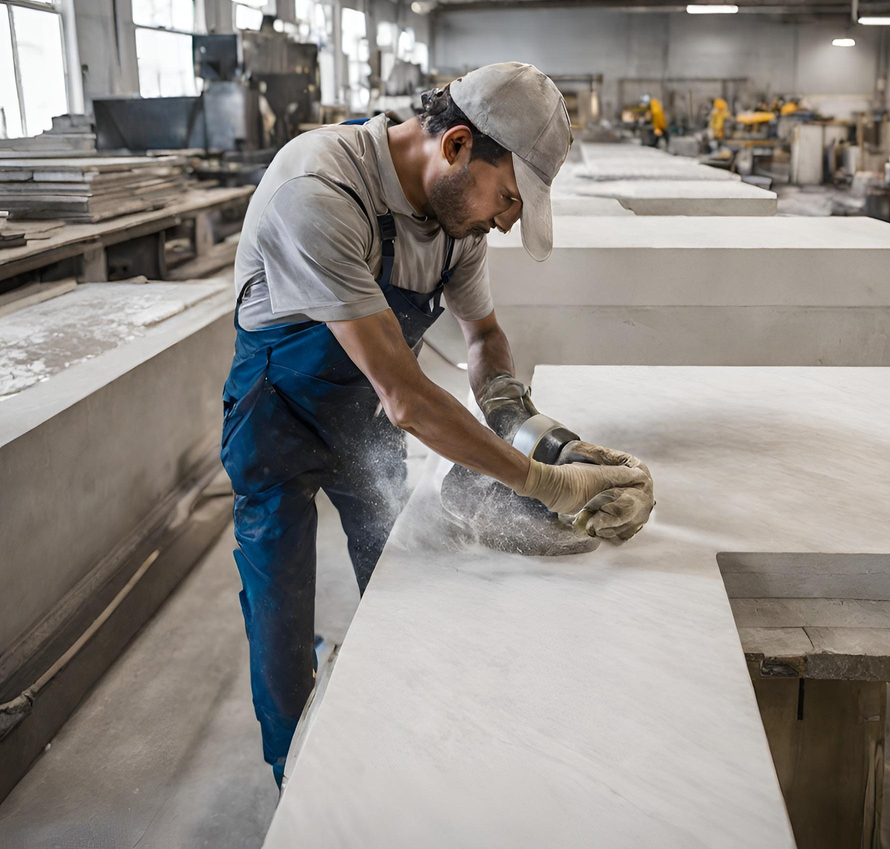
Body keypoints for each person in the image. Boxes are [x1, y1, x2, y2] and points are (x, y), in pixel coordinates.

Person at [220, 62, 654, 785]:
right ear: (456, 146)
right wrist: (548, 483)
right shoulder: (320, 190)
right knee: (281, 624)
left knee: (410, 589)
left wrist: (525, 424)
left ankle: (412, 756)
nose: (508, 221)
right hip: (279, 420)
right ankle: (299, 786)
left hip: (369, 422)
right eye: (509, 197)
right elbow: (407, 395)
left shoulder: (458, 223)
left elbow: (482, 340)